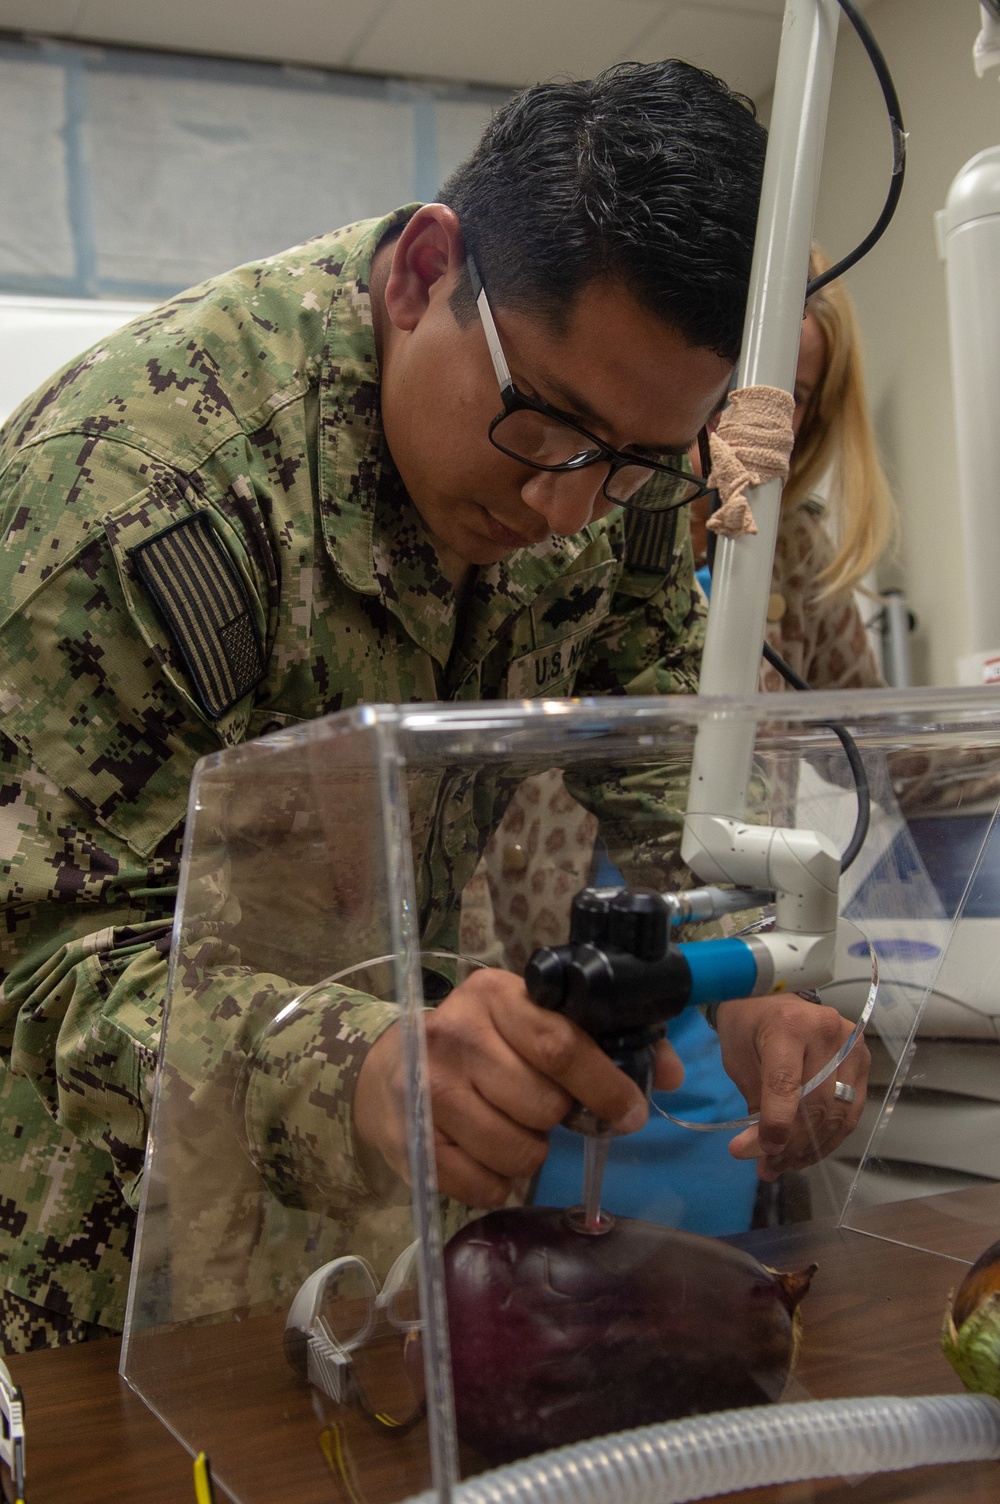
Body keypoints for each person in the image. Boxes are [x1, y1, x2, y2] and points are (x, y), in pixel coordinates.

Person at [0, 61, 868, 1354]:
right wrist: (347, 1059)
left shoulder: (609, 451)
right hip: (100, 1246)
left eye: (636, 462)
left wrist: (754, 969)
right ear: (422, 275)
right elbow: (36, 964)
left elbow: (664, 748)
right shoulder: (134, 501)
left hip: (391, 1226)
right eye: (552, 427)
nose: (567, 512)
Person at [460, 247, 893, 1231]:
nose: (745, 416)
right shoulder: (559, 519)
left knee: (708, 1293)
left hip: (717, 980)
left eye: (786, 393)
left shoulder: (790, 558)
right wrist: (473, 991)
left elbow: (888, 744)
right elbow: (459, 794)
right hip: (553, 990)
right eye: (730, 382)